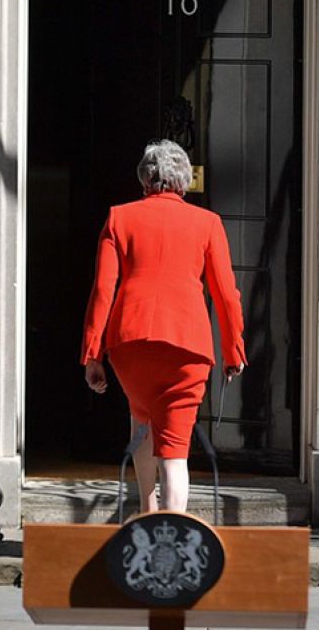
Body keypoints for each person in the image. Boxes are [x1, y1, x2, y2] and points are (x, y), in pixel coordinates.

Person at [81, 139, 247, 515]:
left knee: (141, 420)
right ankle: (172, 531)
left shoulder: (119, 218)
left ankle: (146, 510)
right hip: (187, 347)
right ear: (184, 181)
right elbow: (226, 293)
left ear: (145, 180)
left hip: (130, 342)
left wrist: (92, 354)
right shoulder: (207, 223)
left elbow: (102, 290)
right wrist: (233, 350)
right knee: (174, 449)